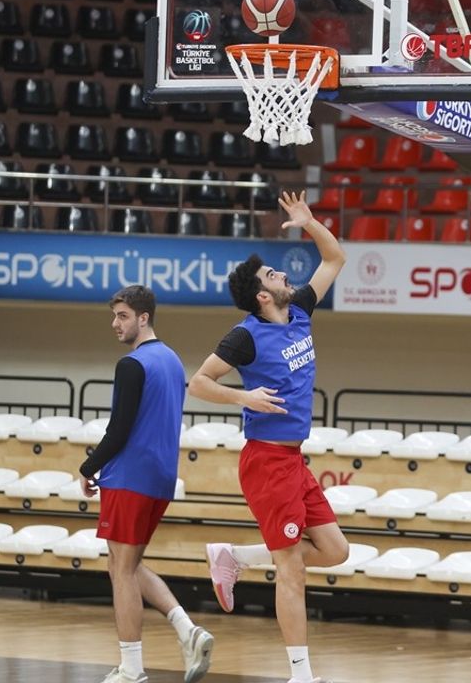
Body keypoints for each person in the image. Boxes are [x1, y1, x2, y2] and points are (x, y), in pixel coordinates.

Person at [188, 191, 349, 683]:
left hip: (293, 461)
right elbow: (198, 382)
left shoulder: (300, 309)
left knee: (336, 551)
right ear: (262, 295)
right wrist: (246, 398)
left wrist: (308, 221)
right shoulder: (245, 336)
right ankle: (301, 676)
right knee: (292, 570)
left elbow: (335, 257)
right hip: (265, 462)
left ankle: (233, 556)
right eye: (272, 276)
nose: (282, 275)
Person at [79, 285, 214, 683]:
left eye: (122, 316)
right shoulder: (173, 361)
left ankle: (132, 670)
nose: (115, 324)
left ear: (144, 318)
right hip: (160, 478)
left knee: (119, 571)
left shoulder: (132, 364)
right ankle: (188, 630)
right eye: (114, 316)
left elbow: (119, 430)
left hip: (130, 476)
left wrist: (89, 467)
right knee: (128, 564)